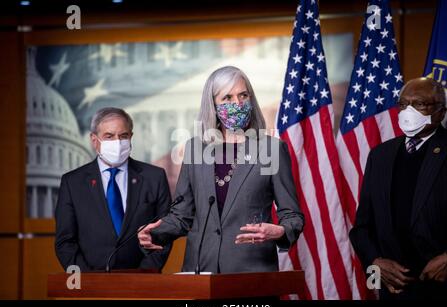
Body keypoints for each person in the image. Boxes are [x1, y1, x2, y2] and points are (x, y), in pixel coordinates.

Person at [138, 66, 304, 274]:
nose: (237, 103)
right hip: (201, 271)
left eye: (243, 95)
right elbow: (182, 215)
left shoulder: (271, 149)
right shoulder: (195, 149)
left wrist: (281, 231)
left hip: (251, 271)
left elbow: (292, 215)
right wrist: (155, 233)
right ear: (213, 105)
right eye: (227, 98)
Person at [350, 77, 447, 299]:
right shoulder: (380, 155)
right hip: (393, 290)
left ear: (441, 112)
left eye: (420, 104)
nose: (409, 111)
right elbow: (362, 227)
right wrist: (376, 263)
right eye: (404, 104)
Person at [55, 107, 172, 272]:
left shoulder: (154, 177)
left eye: (123, 136)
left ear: (131, 137)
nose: (117, 142)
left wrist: (144, 276)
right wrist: (87, 279)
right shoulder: (73, 182)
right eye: (109, 136)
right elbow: (65, 241)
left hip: (142, 283)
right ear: (94, 140)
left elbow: (164, 235)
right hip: (90, 284)